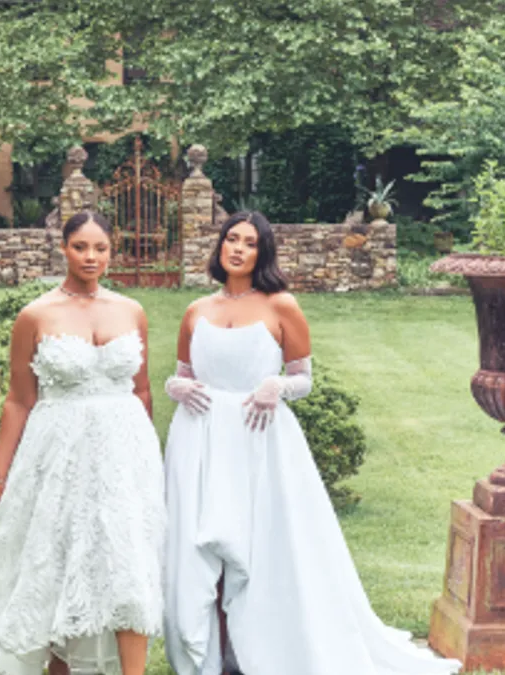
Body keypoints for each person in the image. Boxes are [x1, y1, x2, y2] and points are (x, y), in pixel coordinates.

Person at [162, 211, 461, 675]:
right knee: (200, 548)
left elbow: (303, 378)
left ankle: (265, 649)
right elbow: (182, 375)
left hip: (259, 440)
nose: (237, 249)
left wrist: (276, 387)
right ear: (220, 246)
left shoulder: (281, 306)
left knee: (262, 546)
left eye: (249, 242)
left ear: (263, 252)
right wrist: (175, 388)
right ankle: (213, 655)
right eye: (231, 239)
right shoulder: (196, 310)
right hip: (199, 440)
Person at [0, 210, 165, 675]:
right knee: (57, 558)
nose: (91, 257)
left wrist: (147, 459)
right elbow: (18, 401)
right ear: (63, 248)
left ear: (113, 250)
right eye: (81, 247)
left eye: (100, 248)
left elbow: (143, 389)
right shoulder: (35, 316)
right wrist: (0, 475)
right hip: (59, 452)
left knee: (129, 561)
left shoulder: (131, 311)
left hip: (126, 453)